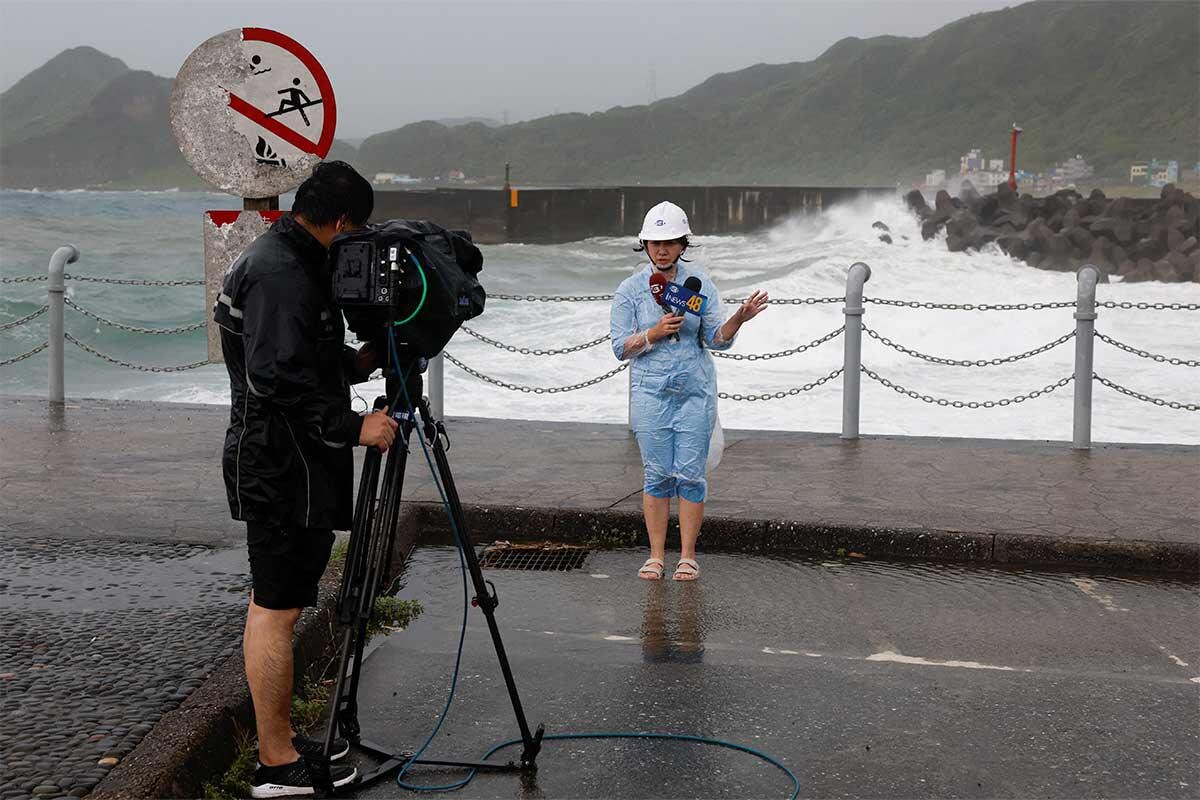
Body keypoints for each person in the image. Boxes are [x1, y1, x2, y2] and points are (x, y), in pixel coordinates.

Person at [214, 161, 398, 798]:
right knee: (276, 606)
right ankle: (275, 763)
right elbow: (277, 378)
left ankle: (284, 742)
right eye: (360, 229)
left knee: (285, 601)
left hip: (298, 463)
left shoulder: (298, 260)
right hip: (275, 465)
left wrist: (359, 361)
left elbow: (306, 359)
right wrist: (356, 429)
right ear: (343, 221)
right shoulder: (279, 273)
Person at [610, 201, 768, 582]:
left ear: (683, 244)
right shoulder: (631, 290)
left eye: (670, 242)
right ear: (644, 245)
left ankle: (688, 556)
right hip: (651, 393)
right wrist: (652, 333)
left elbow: (716, 339)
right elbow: (619, 347)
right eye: (654, 242)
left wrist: (739, 318)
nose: (662, 250)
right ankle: (655, 556)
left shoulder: (700, 286)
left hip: (695, 391)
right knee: (657, 475)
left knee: (691, 475)